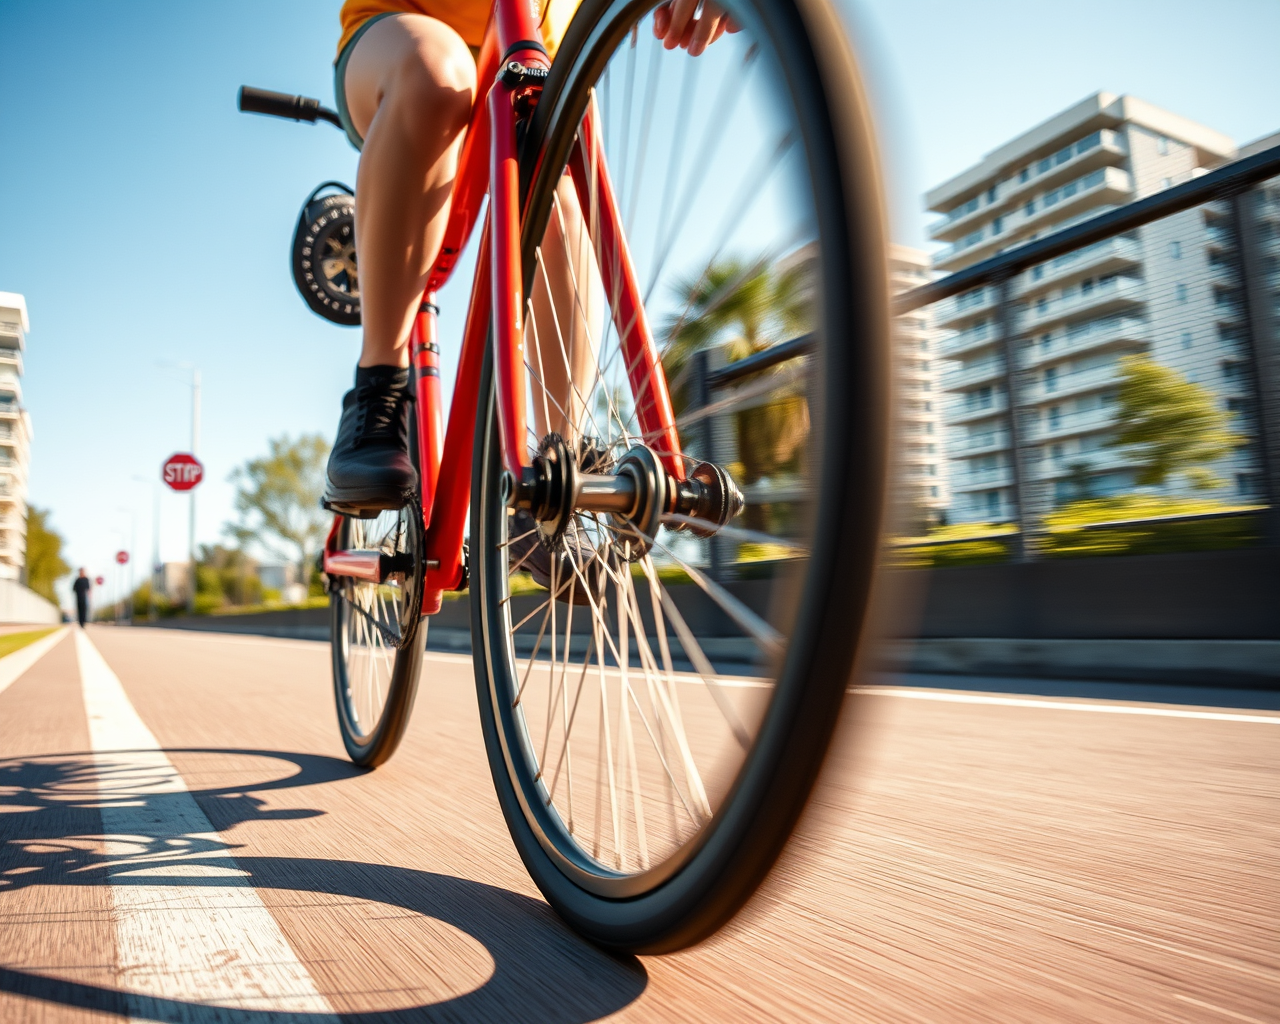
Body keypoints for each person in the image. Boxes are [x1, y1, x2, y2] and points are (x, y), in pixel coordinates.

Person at [321, 0, 735, 520]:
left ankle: (562, 463)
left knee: (562, 172)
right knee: (435, 73)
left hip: (537, 39)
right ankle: (378, 389)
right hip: (397, 28)